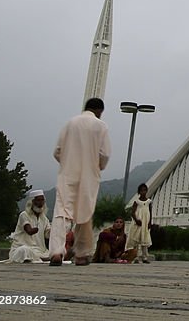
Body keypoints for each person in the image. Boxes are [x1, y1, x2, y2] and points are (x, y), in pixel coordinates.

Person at [50, 97, 111, 266]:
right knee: (85, 212)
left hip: (67, 174)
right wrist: (97, 167)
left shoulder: (70, 123)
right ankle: (82, 254)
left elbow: (57, 151)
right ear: (99, 111)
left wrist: (67, 162)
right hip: (89, 176)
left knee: (62, 211)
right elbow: (105, 154)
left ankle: (56, 251)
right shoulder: (101, 126)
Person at [0, 189, 50, 263]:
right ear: (32, 202)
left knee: (57, 252)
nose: (41, 203)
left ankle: (41, 258)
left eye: (42, 200)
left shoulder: (44, 219)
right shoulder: (24, 215)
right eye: (38, 200)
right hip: (22, 248)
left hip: (40, 250)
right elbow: (29, 231)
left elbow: (48, 235)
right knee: (24, 250)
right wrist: (35, 229)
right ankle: (40, 258)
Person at [127, 182, 153, 264]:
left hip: (145, 222)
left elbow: (150, 212)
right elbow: (133, 212)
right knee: (136, 239)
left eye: (145, 190)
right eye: (141, 190)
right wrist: (136, 220)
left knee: (144, 239)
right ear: (139, 192)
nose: (143, 192)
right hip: (138, 222)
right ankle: (136, 257)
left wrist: (149, 222)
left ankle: (145, 257)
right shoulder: (137, 201)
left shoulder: (149, 201)